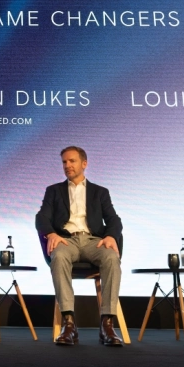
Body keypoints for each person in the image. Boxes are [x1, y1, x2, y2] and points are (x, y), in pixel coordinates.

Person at [35, 146, 124, 347]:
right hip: (68, 241)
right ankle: (69, 324)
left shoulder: (100, 192)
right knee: (58, 256)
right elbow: (41, 217)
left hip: (94, 241)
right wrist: (51, 234)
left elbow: (114, 219)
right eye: (64, 162)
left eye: (72, 161)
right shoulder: (54, 191)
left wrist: (110, 236)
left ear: (84, 163)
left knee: (111, 257)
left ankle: (107, 324)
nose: (67, 165)